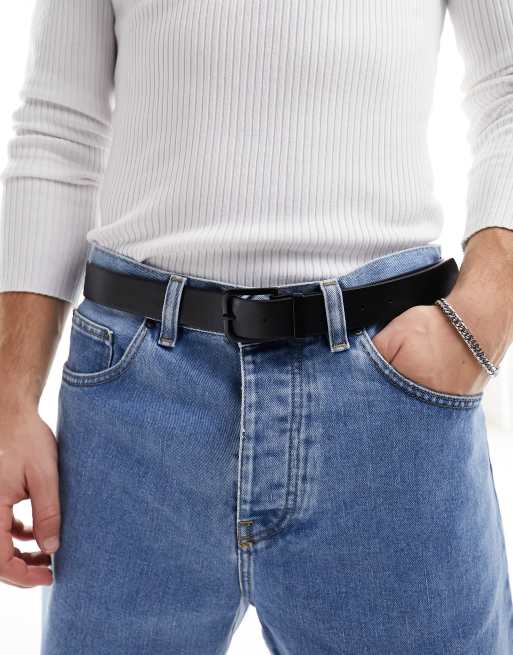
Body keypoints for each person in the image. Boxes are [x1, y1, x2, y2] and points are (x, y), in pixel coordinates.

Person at [1, 1, 512, 653]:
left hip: (385, 394)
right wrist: (10, 400)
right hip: (134, 407)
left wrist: (476, 326)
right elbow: (57, 126)